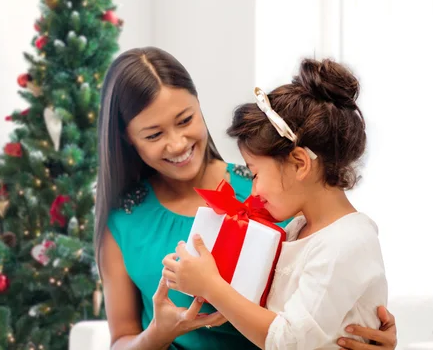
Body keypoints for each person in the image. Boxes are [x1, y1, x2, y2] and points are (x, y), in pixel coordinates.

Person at [95, 47, 398, 350]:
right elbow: (122, 338)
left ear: (199, 105)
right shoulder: (124, 221)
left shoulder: (278, 196)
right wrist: (159, 332)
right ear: (127, 138)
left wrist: (367, 327)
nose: (176, 144)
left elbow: (322, 300)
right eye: (153, 135)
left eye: (185, 120)